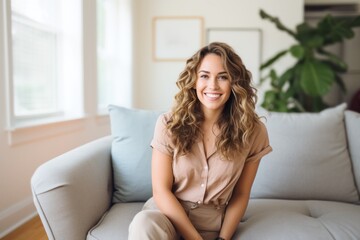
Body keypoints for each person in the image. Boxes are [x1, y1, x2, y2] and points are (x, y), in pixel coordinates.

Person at [128, 42, 272, 240]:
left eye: (223, 77)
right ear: (194, 80)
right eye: (204, 76)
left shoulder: (253, 131)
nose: (212, 85)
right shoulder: (168, 124)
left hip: (212, 223)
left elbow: (241, 194)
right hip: (166, 216)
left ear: (234, 82)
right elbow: (160, 190)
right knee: (143, 224)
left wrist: (223, 238)